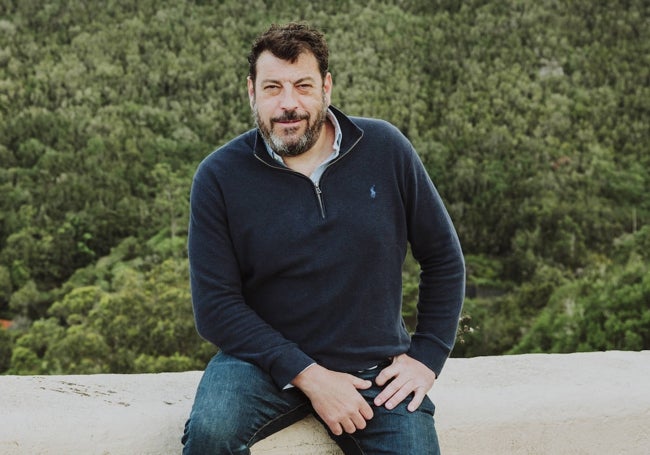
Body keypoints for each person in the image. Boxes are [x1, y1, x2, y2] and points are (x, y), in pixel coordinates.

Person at [182, 22, 465, 455]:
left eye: (303, 86)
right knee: (210, 436)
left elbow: (444, 258)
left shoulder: (386, 149)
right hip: (260, 364)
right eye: (273, 87)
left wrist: (427, 356)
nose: (288, 104)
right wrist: (310, 376)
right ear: (251, 91)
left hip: (374, 367)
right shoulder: (219, 176)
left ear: (326, 87)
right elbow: (216, 307)